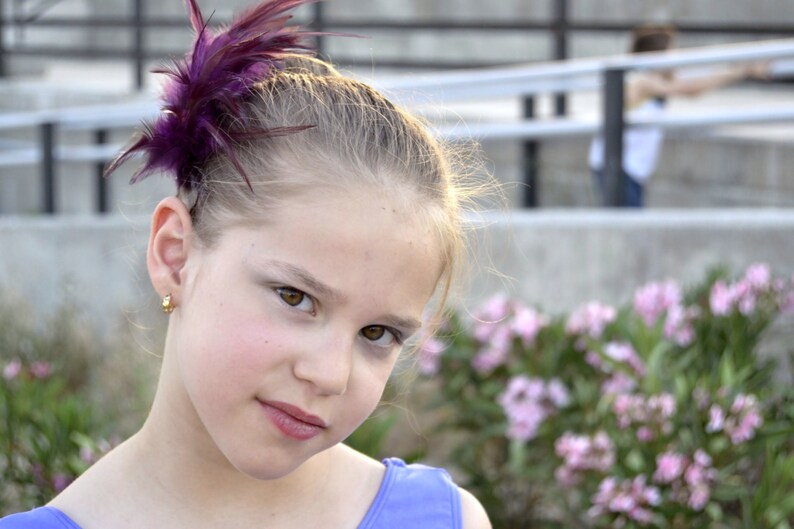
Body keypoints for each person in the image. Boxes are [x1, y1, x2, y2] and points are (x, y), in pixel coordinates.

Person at [0, 0, 492, 527]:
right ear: (176, 255)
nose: (330, 375)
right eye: (294, 297)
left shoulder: (443, 519)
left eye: (378, 333)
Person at [589, 24, 770, 207]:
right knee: (629, 229)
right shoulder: (641, 81)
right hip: (618, 167)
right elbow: (690, 90)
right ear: (657, 54)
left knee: (631, 227)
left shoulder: (651, 79)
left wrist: (742, 69)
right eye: (671, 50)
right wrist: (743, 71)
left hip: (630, 169)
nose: (676, 56)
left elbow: (697, 80)